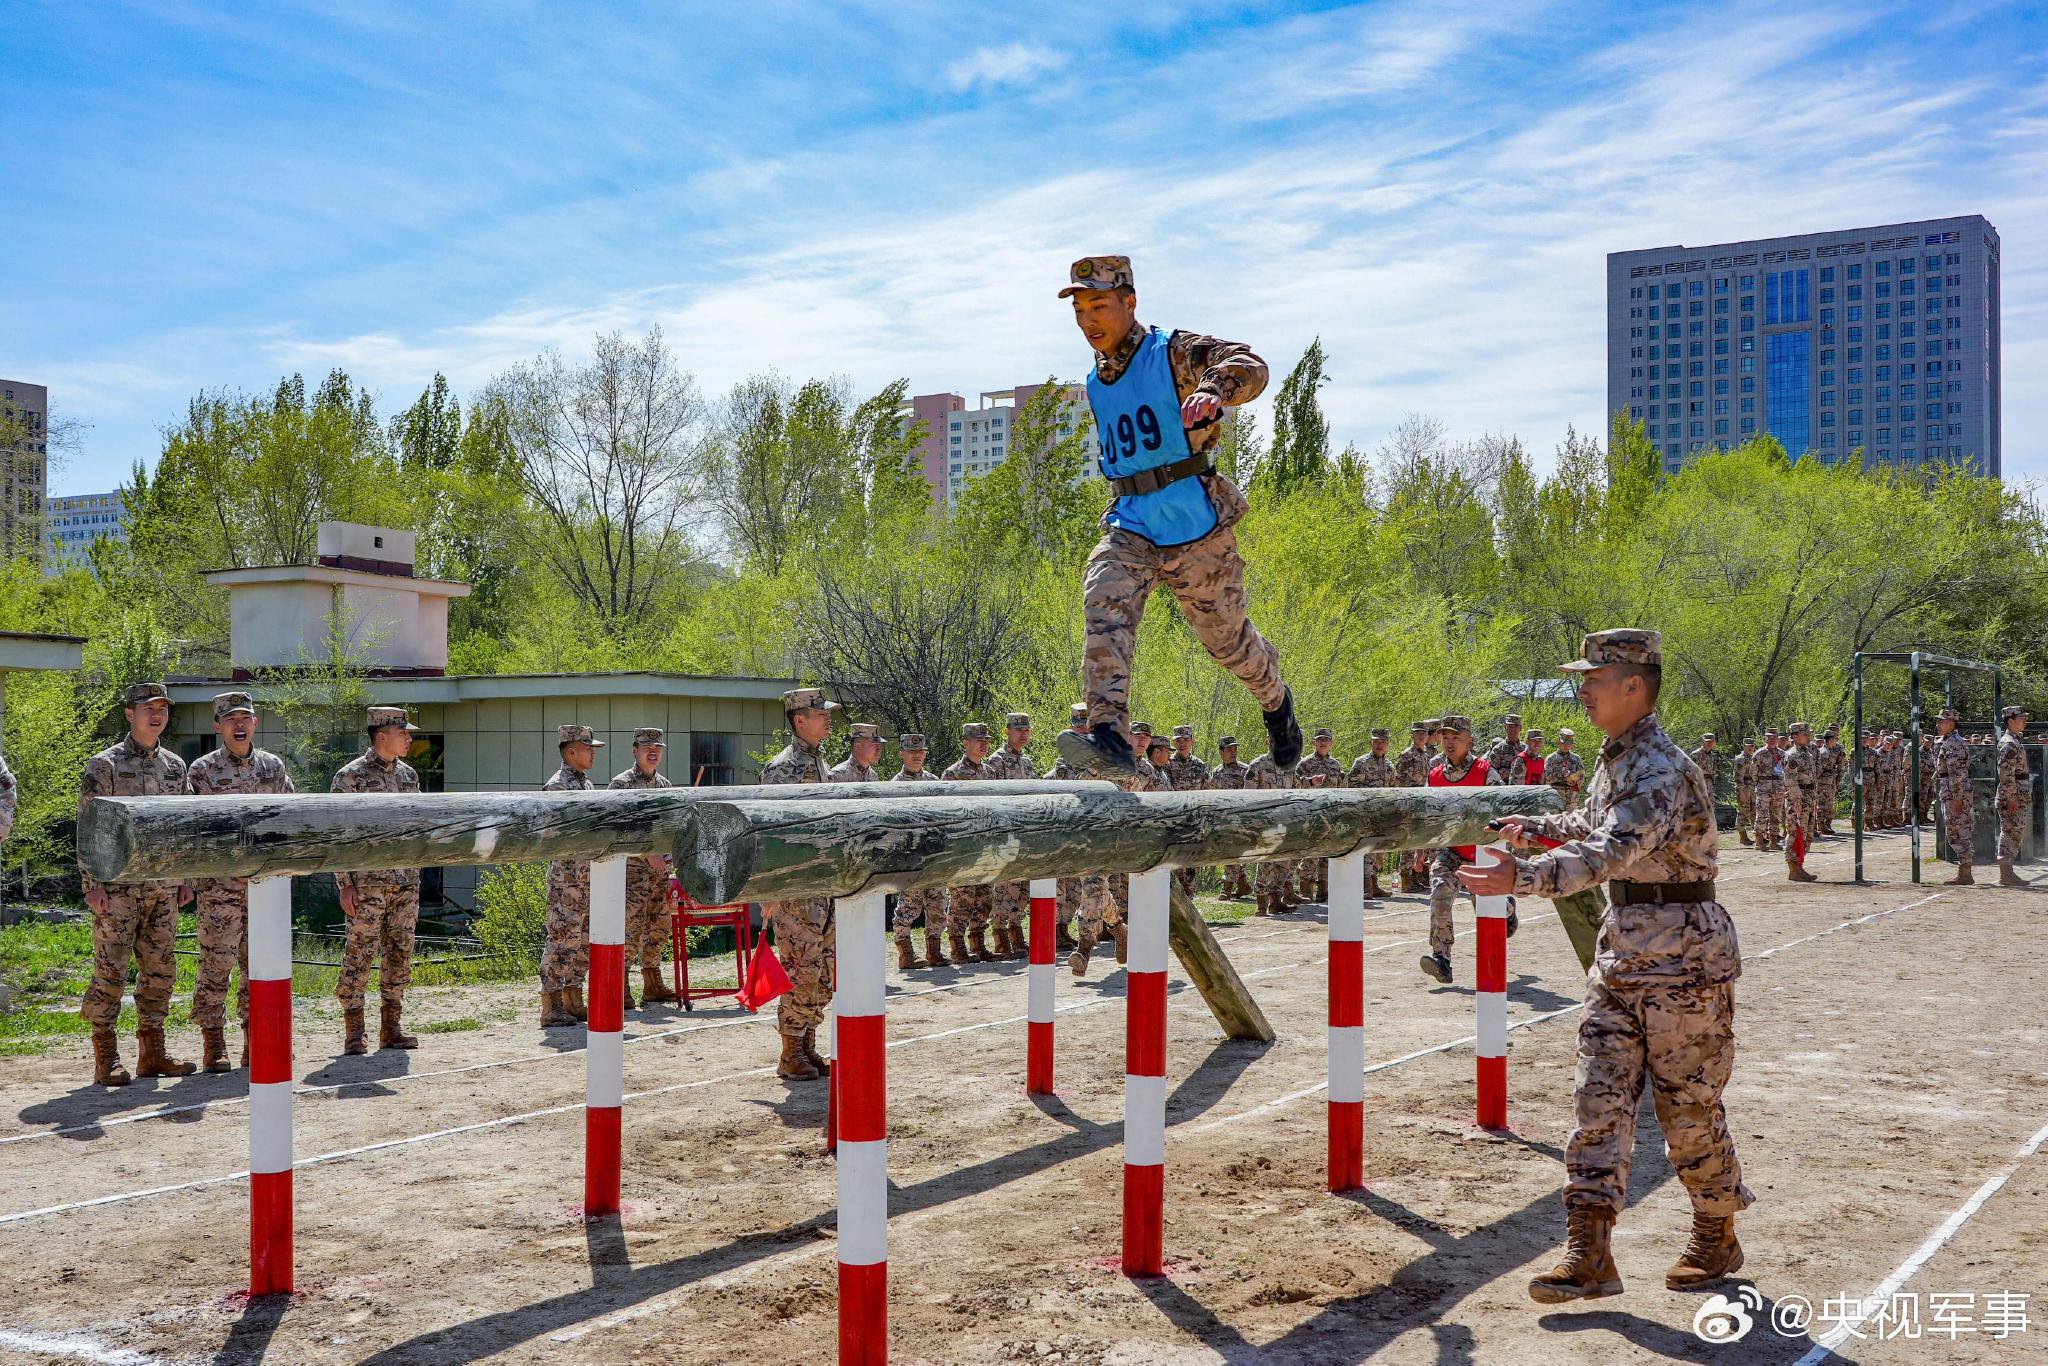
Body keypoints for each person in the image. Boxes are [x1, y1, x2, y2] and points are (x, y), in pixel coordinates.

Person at [1460, 630, 1750, 1304]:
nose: (1582, 689)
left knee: (1687, 1109)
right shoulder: (1616, 759)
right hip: (1623, 955)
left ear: (1635, 686)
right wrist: (1536, 828)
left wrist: (1523, 875)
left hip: (1683, 960)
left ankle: (1716, 1232)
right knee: (1598, 1101)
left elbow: (1613, 849)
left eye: (1596, 677)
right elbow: (1595, 825)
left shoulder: (1660, 767)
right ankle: (1589, 1252)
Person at [1053, 254, 1300, 780]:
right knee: (1103, 600)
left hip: (1195, 532)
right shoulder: (1096, 382)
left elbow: (1249, 365)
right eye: (1079, 311)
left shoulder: (1173, 354)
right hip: (1132, 523)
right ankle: (1109, 735)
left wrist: (1213, 389)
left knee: (1228, 644)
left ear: (1129, 302)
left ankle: (1275, 699)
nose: (1089, 321)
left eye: (1099, 306)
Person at [78, 682, 195, 1086]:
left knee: (160, 970)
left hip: (162, 887)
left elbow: (183, 826)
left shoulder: (176, 767)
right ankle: (105, 1056)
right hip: (117, 888)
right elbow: (88, 826)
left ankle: (152, 1054)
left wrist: (184, 878)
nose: (157, 715)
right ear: (129, 714)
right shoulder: (104, 765)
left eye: (162, 708)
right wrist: (91, 883)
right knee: (111, 970)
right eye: (148, 708)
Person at [183, 692, 295, 1071]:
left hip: (264, 888)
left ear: (255, 723)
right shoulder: (201, 771)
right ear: (218, 726)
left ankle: (255, 1038)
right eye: (231, 719)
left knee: (260, 967)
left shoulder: (273, 767)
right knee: (216, 965)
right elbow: (191, 830)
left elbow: (289, 817)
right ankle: (214, 1042)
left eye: (245, 717)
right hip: (220, 889)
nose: (239, 724)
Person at [331, 707, 426, 1053]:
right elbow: (339, 835)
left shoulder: (410, 777)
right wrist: (345, 884)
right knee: (359, 953)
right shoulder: (349, 777)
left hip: (405, 881)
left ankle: (391, 1027)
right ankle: (354, 1031)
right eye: (404, 732)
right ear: (382, 735)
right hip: (367, 884)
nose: (409, 738)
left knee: (400, 952)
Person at [760, 688, 838, 1079]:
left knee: (823, 970)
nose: (827, 718)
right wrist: (770, 889)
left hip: (822, 885)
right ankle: (790, 1051)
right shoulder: (781, 769)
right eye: (819, 713)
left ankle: (807, 1043)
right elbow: (768, 833)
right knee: (799, 969)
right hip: (794, 890)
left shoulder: (822, 764)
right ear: (799, 720)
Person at [1418, 716, 1515, 984]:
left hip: (1483, 853)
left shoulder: (1485, 772)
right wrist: (1421, 849)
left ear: (1469, 742)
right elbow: (1427, 813)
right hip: (1452, 851)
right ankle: (1441, 958)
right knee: (1439, 894)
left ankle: (1507, 908)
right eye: (1445, 737)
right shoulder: (1435, 775)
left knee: (1484, 904)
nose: (1449, 743)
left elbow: (1505, 808)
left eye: (1456, 738)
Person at [609, 728, 680, 1009]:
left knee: (659, 925)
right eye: (646, 746)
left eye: (658, 747)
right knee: (630, 927)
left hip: (661, 872)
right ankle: (621, 985)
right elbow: (615, 829)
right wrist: (647, 853)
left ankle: (652, 982)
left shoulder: (664, 785)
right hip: (631, 871)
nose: (653, 752)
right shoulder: (621, 784)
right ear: (634, 750)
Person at [539, 724, 604, 1026]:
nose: (593, 753)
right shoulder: (558, 787)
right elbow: (554, 834)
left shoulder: (586, 785)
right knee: (562, 939)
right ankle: (551, 1005)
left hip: (588, 877)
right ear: (571, 751)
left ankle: (573, 998)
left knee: (583, 940)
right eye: (589, 748)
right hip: (568, 880)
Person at [941, 722, 1000, 964]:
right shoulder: (951, 774)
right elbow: (946, 813)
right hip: (963, 847)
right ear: (966, 744)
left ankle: (977, 943)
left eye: (986, 740)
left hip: (986, 845)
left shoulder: (990, 773)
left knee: (985, 897)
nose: (983, 744)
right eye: (978, 740)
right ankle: (957, 946)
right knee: (962, 899)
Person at [888, 734, 948, 969]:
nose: (916, 755)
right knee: (908, 905)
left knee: (937, 902)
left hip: (933, 854)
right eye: (911, 751)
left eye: (920, 751)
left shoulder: (934, 782)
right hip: (909, 855)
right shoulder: (895, 786)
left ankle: (934, 950)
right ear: (902, 753)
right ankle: (905, 952)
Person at [983, 713, 1038, 958]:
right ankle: (1000, 935)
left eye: (1026, 730)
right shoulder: (997, 761)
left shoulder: (1026, 762)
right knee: (1004, 888)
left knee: (1022, 889)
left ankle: (1016, 933)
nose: (1023, 734)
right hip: (1005, 835)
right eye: (1018, 730)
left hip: (1024, 835)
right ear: (1007, 731)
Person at [1293, 727, 1344, 902]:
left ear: (1331, 743)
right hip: (1311, 816)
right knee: (1310, 855)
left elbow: (1340, 790)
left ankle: (1324, 891)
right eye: (1319, 739)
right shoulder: (1304, 764)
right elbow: (1296, 787)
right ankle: (1305, 891)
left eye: (1326, 740)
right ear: (1313, 742)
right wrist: (1311, 782)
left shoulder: (1335, 765)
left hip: (1330, 816)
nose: (1323, 742)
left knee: (1328, 855)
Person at [1243, 744, 1295, 915]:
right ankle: (1261, 904)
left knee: (1284, 863)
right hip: (1265, 822)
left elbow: (1298, 787)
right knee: (1265, 863)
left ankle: (1276, 901)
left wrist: (1312, 781)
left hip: (1285, 821)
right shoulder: (1258, 765)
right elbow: (1248, 795)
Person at [1347, 728, 1396, 897]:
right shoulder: (1361, 762)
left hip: (1382, 816)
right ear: (1371, 743)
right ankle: (1364, 887)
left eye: (1383, 742)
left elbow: (1393, 790)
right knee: (1366, 850)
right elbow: (1352, 787)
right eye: (1376, 742)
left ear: (1388, 744)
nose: (1379, 745)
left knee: (1378, 850)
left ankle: (1373, 884)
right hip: (1365, 814)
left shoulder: (1389, 766)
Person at [1931, 710, 1974, 885]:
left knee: (1958, 829)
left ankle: (1965, 873)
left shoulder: (1954, 743)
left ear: (1951, 724)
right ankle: (1965, 872)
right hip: (1950, 789)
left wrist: (1957, 797)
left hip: (1956, 791)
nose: (1938, 724)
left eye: (1942, 722)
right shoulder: (1947, 741)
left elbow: (1957, 773)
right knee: (1955, 828)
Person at [1209, 734, 1252, 899]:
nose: (1233, 752)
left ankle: (1226, 888)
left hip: (1239, 819)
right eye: (1229, 749)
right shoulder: (1216, 773)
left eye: (1235, 748)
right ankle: (1243, 884)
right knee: (1227, 852)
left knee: (1232, 852)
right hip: (1221, 820)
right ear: (1221, 752)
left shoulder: (1245, 770)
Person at [1394, 722, 1433, 891]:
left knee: (1419, 839)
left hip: (1422, 802)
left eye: (1424, 733)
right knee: (1408, 840)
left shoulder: (1425, 754)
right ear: (1412, 735)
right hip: (1410, 802)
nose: (1422, 736)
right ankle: (1406, 877)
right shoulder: (1407, 755)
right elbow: (1402, 781)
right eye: (1418, 733)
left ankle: (1415, 875)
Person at [1997, 706, 2032, 887]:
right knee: (2010, 832)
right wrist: (2010, 798)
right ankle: (2006, 873)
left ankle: (2007, 872)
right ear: (2010, 721)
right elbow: (2006, 773)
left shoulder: (2015, 740)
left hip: (2018, 795)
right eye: (2021, 718)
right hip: (2013, 796)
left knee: (2014, 832)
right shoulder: (2009, 743)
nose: (2024, 721)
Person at [1781, 723, 1818, 883]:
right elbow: (1790, 780)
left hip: (1808, 797)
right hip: (1798, 798)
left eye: (1808, 734)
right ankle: (1793, 869)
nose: (1808, 736)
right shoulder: (1792, 755)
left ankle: (1799, 866)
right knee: (1795, 833)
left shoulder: (1806, 754)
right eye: (1805, 734)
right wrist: (1796, 801)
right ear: (1795, 737)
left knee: (1807, 833)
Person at [1547, 728, 1587, 810]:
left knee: (1571, 821)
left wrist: (1572, 779)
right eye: (1564, 743)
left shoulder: (1576, 758)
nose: (1566, 746)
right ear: (1558, 742)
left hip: (1571, 798)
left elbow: (1582, 777)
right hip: (1555, 797)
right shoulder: (1551, 759)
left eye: (1569, 744)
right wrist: (1560, 775)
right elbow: (1547, 778)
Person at [1733, 739, 1758, 846]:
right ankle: (1743, 837)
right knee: (1743, 812)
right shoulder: (1740, 759)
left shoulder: (1753, 758)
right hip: (1744, 789)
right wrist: (1741, 791)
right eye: (1748, 746)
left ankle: (1757, 836)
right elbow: (1738, 777)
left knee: (1754, 812)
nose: (1750, 748)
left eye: (1752, 746)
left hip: (1753, 788)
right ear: (1743, 746)